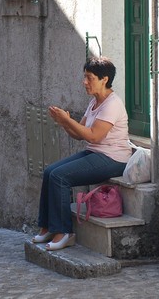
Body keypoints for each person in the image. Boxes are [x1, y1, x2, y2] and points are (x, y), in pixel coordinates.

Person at [32, 56, 131, 251]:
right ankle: (47, 226)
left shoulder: (113, 104)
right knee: (49, 171)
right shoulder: (94, 102)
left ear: (104, 79)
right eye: (84, 77)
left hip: (114, 158)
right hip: (96, 153)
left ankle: (64, 232)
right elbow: (80, 134)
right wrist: (64, 122)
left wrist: (68, 121)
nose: (84, 82)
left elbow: (94, 136)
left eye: (89, 78)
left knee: (60, 177)